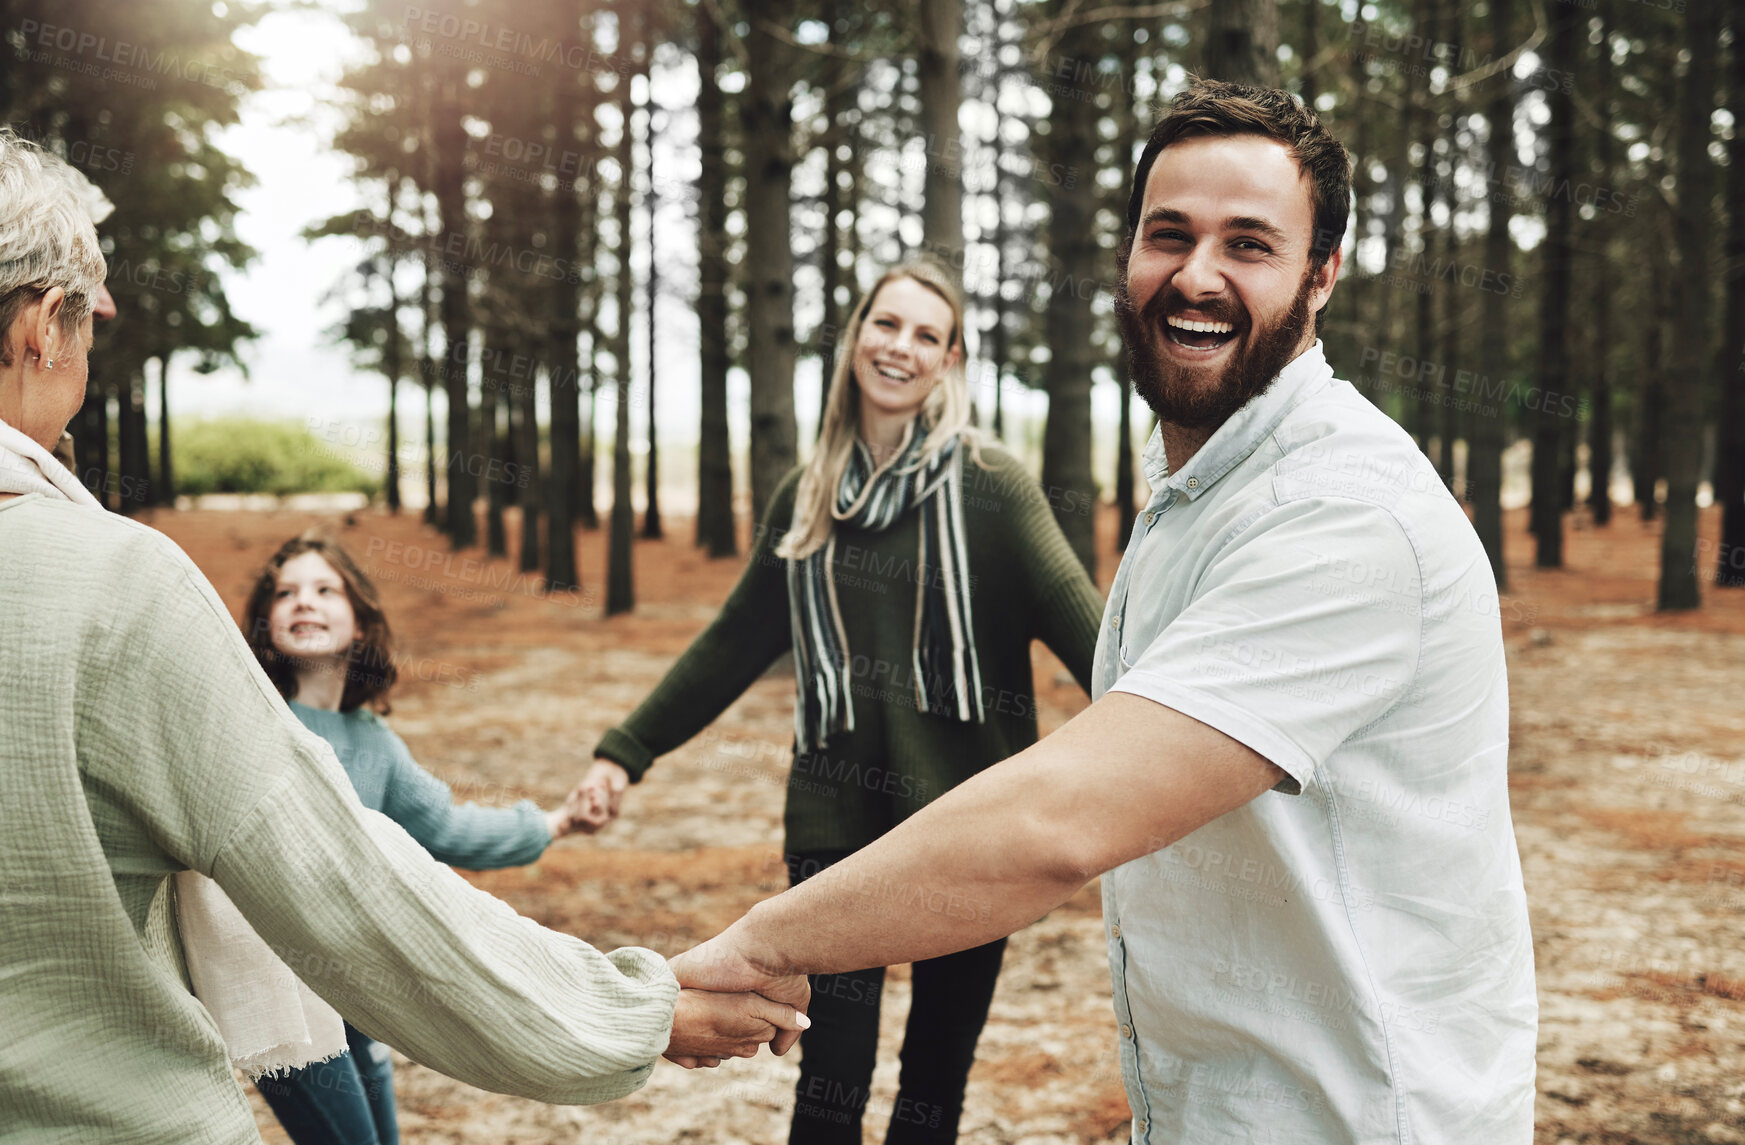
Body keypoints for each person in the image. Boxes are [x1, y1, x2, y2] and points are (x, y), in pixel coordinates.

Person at [670, 79, 1538, 1144]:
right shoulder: (1191, 488)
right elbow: (734, 641)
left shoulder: (1345, 515)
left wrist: (761, 944)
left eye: (1249, 245)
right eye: (1166, 233)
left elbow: (1060, 818)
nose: (1195, 274)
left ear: (1322, 276)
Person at [0, 127, 806, 1144]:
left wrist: (547, 823)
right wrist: (631, 1011)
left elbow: (432, 828)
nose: (93, 334)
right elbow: (345, 890)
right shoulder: (113, 583)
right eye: (87, 316)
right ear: (41, 325)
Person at [569, 258, 1105, 1143]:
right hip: (837, 827)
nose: (900, 347)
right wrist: (622, 750)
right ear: (857, 338)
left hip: (970, 825)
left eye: (926, 335)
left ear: (950, 362)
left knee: (936, 1076)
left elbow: (1094, 642)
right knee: (827, 1085)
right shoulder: (807, 499)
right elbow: (729, 646)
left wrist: (1184, 761)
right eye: (885, 325)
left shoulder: (991, 487)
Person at [238, 531, 596, 1145]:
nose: (303, 602)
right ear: (264, 622)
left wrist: (553, 822)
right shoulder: (252, 719)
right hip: (280, 992)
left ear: (359, 624)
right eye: (284, 592)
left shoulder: (375, 742)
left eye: (325, 589)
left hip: (356, 985)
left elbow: (448, 827)